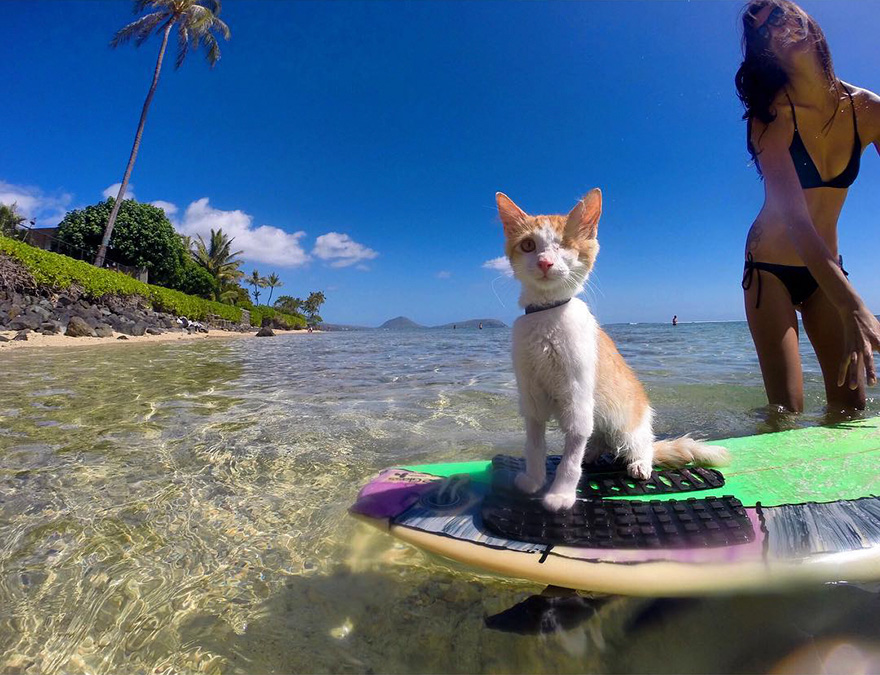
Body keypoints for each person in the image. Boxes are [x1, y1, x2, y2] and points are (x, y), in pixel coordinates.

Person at [736, 0, 880, 412]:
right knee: (786, 412)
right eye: (764, 33)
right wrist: (853, 304)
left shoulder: (869, 110)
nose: (777, 30)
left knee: (852, 409)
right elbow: (796, 221)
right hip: (770, 269)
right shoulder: (770, 117)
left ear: (805, 20)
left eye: (781, 17)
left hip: (827, 270)